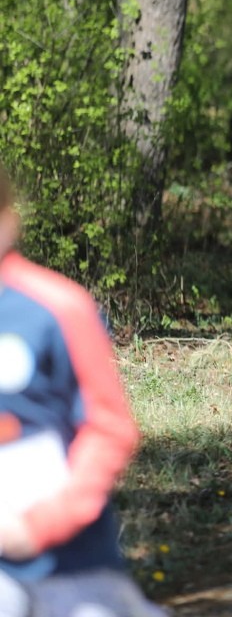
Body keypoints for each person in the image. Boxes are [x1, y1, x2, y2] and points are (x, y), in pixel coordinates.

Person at [0, 166, 164, 616]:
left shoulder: (58, 307)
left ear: (8, 219)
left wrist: (39, 526)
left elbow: (109, 428)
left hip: (70, 567)